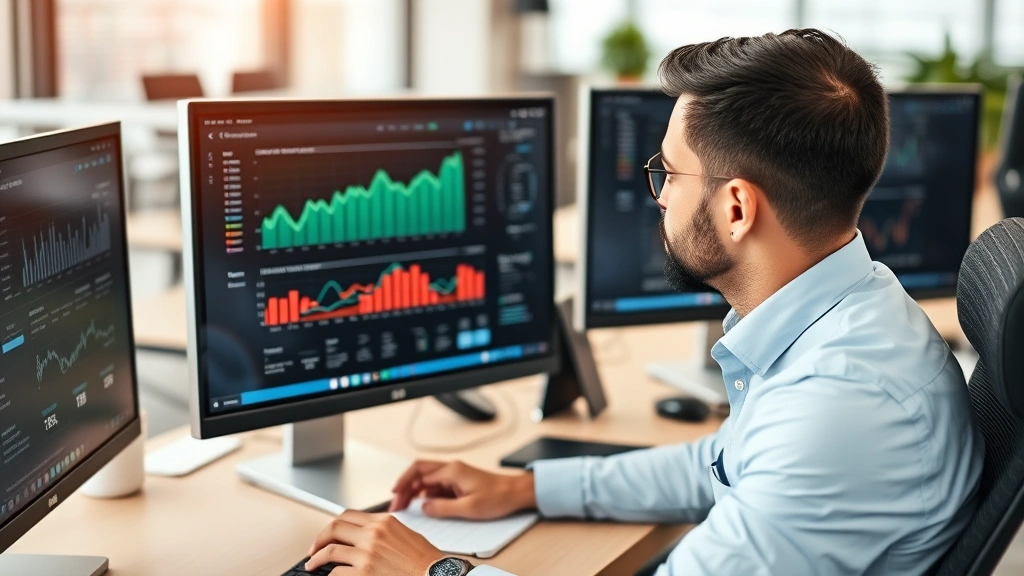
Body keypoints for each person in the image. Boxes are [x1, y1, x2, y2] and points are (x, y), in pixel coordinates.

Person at [303, 29, 983, 576]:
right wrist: (528, 488)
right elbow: (723, 462)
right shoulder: (853, 308)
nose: (658, 194)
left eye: (668, 171)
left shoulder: (837, 406)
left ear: (738, 206)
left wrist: (435, 570)